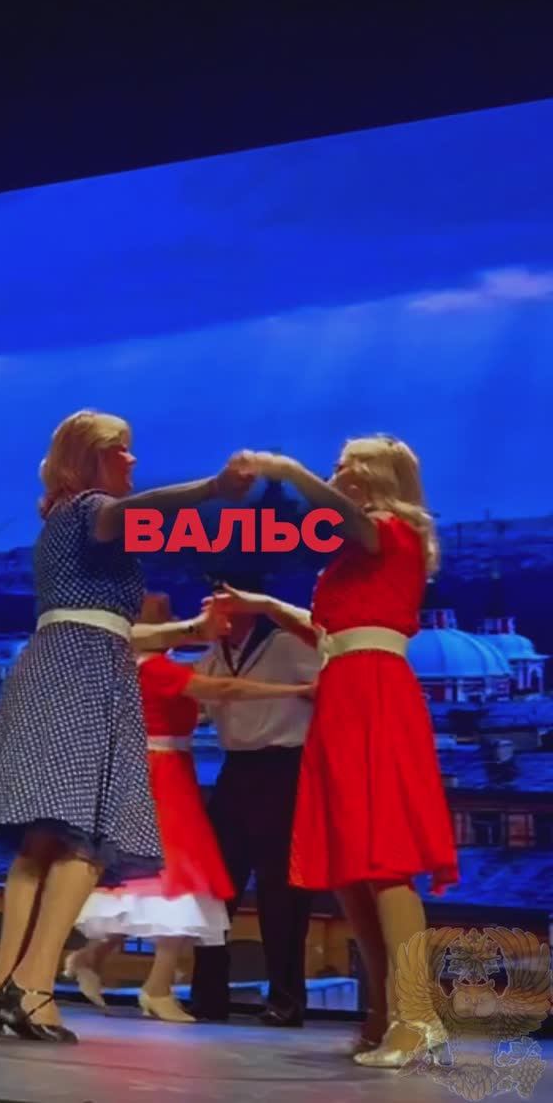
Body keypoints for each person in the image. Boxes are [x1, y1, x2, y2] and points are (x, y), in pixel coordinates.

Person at [0, 409, 254, 1043]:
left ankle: (4, 988)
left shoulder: (61, 521)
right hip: (88, 676)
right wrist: (214, 488)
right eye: (121, 449)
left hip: (59, 665)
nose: (132, 459)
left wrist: (188, 630)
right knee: (86, 841)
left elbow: (110, 625)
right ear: (90, 458)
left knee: (42, 843)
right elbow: (140, 517)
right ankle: (35, 989)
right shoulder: (94, 508)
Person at [211, 439, 459, 1065]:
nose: (337, 471)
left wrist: (287, 471)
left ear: (373, 475)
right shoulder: (358, 550)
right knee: (352, 867)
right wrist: (265, 605)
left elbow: (342, 521)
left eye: (347, 464)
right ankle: (383, 1013)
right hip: (345, 692)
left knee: (383, 858)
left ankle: (417, 1016)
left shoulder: (389, 529)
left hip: (373, 692)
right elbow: (329, 634)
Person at [66, 591, 314, 1023]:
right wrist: (297, 690)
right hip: (166, 775)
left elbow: (207, 699)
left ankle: (109, 963)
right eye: (164, 614)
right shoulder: (156, 666)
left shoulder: (164, 665)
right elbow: (224, 690)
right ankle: (159, 985)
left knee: (178, 880)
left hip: (192, 772)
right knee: (184, 878)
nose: (180, 618)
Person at [189, 573, 320, 1028]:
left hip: (284, 768)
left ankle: (286, 998)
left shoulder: (285, 644)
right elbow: (200, 705)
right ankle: (208, 995)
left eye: (222, 599)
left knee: (280, 891)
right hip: (236, 769)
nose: (212, 607)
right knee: (215, 883)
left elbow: (326, 688)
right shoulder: (214, 655)